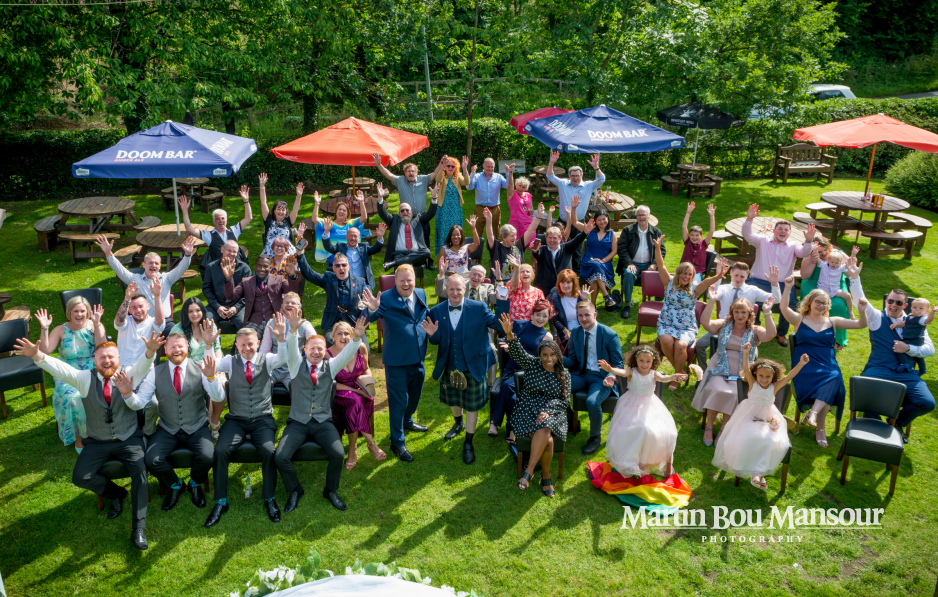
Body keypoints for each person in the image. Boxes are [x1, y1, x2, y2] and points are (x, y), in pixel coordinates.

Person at [15, 332, 164, 549]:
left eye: (111, 357)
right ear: (94, 360)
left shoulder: (128, 374)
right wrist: (37, 354)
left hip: (128, 438)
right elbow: (60, 369)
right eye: (102, 357)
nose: (107, 361)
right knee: (80, 476)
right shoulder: (85, 378)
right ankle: (117, 494)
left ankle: (138, 529)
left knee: (140, 476)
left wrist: (150, 351)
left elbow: (143, 366)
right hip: (98, 441)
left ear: (119, 358)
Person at [274, 312, 368, 513]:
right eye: (312, 349)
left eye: (320, 349)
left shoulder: (332, 366)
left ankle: (331, 490)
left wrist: (357, 338)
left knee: (337, 453)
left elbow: (346, 354)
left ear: (325, 351)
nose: (316, 352)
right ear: (305, 350)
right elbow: (291, 348)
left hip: (323, 423)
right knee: (280, 456)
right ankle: (295, 490)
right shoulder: (295, 365)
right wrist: (292, 330)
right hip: (297, 423)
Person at [205, 325, 288, 528]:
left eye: (250, 344)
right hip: (237, 419)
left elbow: (285, 358)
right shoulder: (230, 362)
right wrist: (208, 344)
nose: (247, 348)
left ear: (258, 344)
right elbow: (210, 365)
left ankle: (269, 498)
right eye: (242, 345)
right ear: (236, 345)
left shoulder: (266, 360)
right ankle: (220, 501)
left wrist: (281, 338)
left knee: (269, 451)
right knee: (221, 450)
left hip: (262, 418)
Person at [423, 275, 502, 463]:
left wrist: (503, 303)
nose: (455, 293)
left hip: (473, 364)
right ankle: (458, 423)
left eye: (459, 289)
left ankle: (468, 441)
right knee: (455, 400)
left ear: (464, 289)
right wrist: (433, 336)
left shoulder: (479, 308)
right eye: (451, 289)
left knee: (471, 405)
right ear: (446, 289)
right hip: (450, 365)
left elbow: (499, 324)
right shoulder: (436, 311)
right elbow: (435, 340)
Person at [848, 270, 935, 441]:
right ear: (886, 302)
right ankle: (876, 427)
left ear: (905, 305)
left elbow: (930, 349)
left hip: (905, 373)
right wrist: (854, 278)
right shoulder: (877, 318)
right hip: (879, 368)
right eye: (890, 301)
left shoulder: (915, 322)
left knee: (927, 403)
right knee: (862, 390)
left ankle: (896, 423)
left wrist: (908, 348)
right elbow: (860, 298)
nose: (893, 305)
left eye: (898, 302)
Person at [781, 279, 868, 448]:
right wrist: (788, 288)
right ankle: (819, 426)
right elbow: (784, 308)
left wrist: (862, 312)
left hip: (827, 363)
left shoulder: (833, 321)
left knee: (833, 377)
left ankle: (813, 415)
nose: (821, 305)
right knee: (831, 383)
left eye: (825, 303)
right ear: (810, 302)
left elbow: (861, 324)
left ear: (828, 306)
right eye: (818, 302)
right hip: (804, 364)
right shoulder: (799, 320)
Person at [140, 334, 222, 511]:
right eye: (172, 347)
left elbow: (218, 397)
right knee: (151, 459)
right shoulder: (156, 372)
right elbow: (140, 400)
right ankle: (176, 485)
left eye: (180, 347)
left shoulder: (200, 368)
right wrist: (126, 394)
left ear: (187, 349)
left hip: (197, 425)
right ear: (165, 350)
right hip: (167, 427)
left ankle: (194, 483)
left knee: (208, 455)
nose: (177, 350)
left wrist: (212, 378)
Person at [712, 344, 808, 490]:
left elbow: (789, 376)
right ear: (756, 375)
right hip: (749, 417)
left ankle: (759, 474)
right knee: (754, 438)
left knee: (770, 440)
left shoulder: (774, 387)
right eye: (761, 375)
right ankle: (757, 474)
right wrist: (745, 353)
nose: (764, 379)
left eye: (768, 376)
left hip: (767, 419)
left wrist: (801, 364)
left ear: (773, 377)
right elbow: (746, 366)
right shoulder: (752, 383)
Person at [362, 265, 431, 462]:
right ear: (395, 281)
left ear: (415, 280)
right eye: (402, 280)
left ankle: (408, 420)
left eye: (409, 280)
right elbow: (367, 319)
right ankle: (397, 442)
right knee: (398, 401)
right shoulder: (384, 297)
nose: (406, 284)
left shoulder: (421, 294)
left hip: (418, 357)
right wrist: (372, 309)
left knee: (415, 394)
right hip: (397, 360)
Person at [692, 292, 777, 447]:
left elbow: (771, 335)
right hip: (719, 368)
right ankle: (709, 426)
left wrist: (767, 312)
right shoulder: (724, 324)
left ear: (749, 314)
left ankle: (724, 428)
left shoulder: (754, 330)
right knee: (718, 390)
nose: (739, 315)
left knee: (734, 394)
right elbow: (706, 323)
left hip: (742, 371)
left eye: (743, 312)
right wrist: (711, 300)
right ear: (732, 312)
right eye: (736, 311)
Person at [499, 314, 570, 498]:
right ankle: (545, 476)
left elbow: (564, 401)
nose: (548, 359)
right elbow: (518, 353)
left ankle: (529, 471)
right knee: (549, 440)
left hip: (553, 412)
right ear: (539, 355)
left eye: (552, 355)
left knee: (546, 425)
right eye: (545, 355)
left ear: (558, 355)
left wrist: (547, 411)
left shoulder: (564, 374)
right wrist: (510, 335)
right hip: (527, 409)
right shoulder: (532, 364)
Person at [599, 346, 686, 477]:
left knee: (662, 432)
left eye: (648, 361)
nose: (644, 364)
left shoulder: (654, 374)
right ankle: (630, 462)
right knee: (639, 429)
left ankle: (644, 460)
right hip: (631, 406)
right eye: (641, 360)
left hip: (650, 407)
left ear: (653, 362)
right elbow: (621, 372)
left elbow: (665, 378)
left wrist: (674, 377)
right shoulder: (632, 372)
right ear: (636, 360)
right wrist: (610, 369)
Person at [35, 298, 107, 451]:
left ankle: (100, 431)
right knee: (74, 398)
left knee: (99, 392)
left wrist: (97, 324)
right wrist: (44, 328)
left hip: (92, 369)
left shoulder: (93, 326)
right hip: (67, 372)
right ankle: (80, 438)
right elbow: (46, 350)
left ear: (87, 312)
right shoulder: (61, 330)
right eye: (76, 311)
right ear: (69, 313)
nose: (79, 314)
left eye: (82, 311)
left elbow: (103, 346)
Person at [742, 203, 817, 346]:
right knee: (750, 299)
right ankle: (753, 328)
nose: (783, 231)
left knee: (791, 304)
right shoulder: (763, 240)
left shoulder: (794, 245)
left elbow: (804, 253)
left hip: (783, 284)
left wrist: (808, 241)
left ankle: (781, 333)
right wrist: (749, 220)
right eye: (780, 229)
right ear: (774, 231)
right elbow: (748, 235)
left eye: (786, 230)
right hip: (759, 280)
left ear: (789, 233)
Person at [653, 235, 720, 389]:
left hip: (686, 326)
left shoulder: (694, 290)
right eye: (684, 273)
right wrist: (658, 248)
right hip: (666, 322)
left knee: (681, 345)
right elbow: (661, 265)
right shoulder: (668, 283)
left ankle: (676, 377)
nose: (687, 277)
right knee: (666, 341)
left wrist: (718, 276)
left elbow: (706, 282)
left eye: (690, 274)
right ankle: (680, 371)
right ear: (678, 273)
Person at [694, 261, 781, 368]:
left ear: (747, 276)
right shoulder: (723, 288)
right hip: (721, 328)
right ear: (730, 273)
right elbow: (713, 295)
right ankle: (705, 371)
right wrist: (718, 277)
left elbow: (775, 299)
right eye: (736, 275)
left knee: (754, 355)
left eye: (742, 276)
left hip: (745, 331)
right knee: (700, 345)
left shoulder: (752, 290)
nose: (738, 279)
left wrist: (774, 284)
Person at [563, 300, 624, 455]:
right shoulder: (576, 332)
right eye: (580, 315)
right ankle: (570, 420)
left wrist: (611, 375)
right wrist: (557, 357)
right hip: (581, 374)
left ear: (595, 314)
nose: (583, 319)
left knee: (592, 402)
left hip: (600, 378)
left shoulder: (609, 335)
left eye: (587, 315)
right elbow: (573, 362)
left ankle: (595, 437)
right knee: (556, 384)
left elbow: (618, 363)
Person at [489, 300, 553, 442]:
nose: (541, 319)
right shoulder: (519, 325)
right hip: (512, 368)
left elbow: (542, 361)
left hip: (530, 372)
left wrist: (517, 350)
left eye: (544, 316)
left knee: (514, 398)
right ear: (532, 314)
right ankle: (501, 425)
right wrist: (508, 347)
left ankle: (505, 427)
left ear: (548, 317)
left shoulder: (547, 337)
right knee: (507, 386)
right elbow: (507, 337)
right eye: (538, 315)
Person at [97, 234, 195, 326]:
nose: (153, 265)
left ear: (160, 266)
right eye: (150, 263)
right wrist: (108, 253)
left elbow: (181, 268)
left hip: (165, 322)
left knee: (176, 338)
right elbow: (119, 270)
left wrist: (187, 254)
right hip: (141, 322)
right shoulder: (134, 279)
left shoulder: (167, 278)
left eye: (156, 263)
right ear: (143, 265)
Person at [328, 321, 384, 470]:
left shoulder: (361, 348)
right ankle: (367, 445)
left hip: (359, 387)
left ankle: (355, 448)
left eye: (347, 333)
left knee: (359, 400)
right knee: (354, 401)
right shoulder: (327, 354)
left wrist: (368, 384)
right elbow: (330, 383)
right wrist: (354, 391)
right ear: (333, 336)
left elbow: (366, 369)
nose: (343, 336)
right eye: (339, 333)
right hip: (340, 390)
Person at [373, 152, 444, 262]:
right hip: (406, 215)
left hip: (422, 216)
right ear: (405, 173)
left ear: (416, 173)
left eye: (413, 171)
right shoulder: (400, 181)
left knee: (425, 239)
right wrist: (379, 165)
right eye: (408, 171)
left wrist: (441, 163)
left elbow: (435, 173)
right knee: (407, 237)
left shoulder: (423, 179)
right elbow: (388, 175)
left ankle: (428, 261)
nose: (411, 173)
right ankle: (407, 256)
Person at [170, 297, 225, 436]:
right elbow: (177, 355)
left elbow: (217, 348)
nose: (195, 314)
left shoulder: (210, 326)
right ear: (185, 313)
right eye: (190, 311)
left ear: (203, 311)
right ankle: (204, 425)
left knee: (222, 384)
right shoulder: (178, 329)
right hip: (190, 368)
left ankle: (214, 421)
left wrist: (218, 367)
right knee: (207, 387)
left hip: (211, 364)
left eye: (198, 310)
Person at [222, 254, 300, 340]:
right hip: (254, 322)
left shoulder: (279, 279)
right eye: (259, 266)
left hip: (275, 321)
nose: (262, 269)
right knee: (245, 339)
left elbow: (292, 293)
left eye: (265, 266)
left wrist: (292, 276)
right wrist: (229, 278)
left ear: (270, 268)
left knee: (281, 341)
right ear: (255, 267)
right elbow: (231, 296)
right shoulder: (246, 281)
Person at [295, 250, 367, 345]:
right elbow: (309, 274)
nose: (341, 268)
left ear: (348, 266)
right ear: (333, 268)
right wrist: (300, 254)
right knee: (329, 341)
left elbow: (368, 302)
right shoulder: (328, 278)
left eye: (344, 265)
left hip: (353, 324)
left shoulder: (360, 282)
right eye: (337, 265)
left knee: (363, 346)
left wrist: (369, 306)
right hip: (333, 324)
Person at [800, 236, 853, 349]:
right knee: (816, 303)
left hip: (835, 285)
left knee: (838, 304)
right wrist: (813, 262)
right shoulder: (810, 257)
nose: (824, 253)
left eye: (826, 250)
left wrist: (852, 262)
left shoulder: (838, 255)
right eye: (820, 251)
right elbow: (804, 276)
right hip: (814, 283)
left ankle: (838, 338)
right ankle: (814, 335)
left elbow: (851, 271)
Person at [377, 183, 441, 271]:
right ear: (399, 213)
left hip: (416, 253)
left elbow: (431, 213)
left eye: (407, 210)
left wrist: (434, 198)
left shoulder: (418, 220)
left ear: (411, 212)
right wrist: (380, 198)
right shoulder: (394, 221)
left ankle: (395, 263)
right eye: (402, 210)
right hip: (399, 254)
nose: (405, 212)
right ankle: (401, 261)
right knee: (402, 257)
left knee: (426, 252)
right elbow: (382, 213)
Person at [616, 205, 665, 319]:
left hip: (649, 264)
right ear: (636, 217)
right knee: (628, 273)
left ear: (649, 216)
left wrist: (654, 263)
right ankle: (627, 305)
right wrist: (629, 263)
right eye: (639, 215)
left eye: (644, 215)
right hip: (632, 263)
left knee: (663, 274)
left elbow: (662, 250)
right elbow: (621, 249)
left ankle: (657, 305)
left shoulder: (656, 232)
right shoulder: (628, 230)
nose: (641, 217)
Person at [258, 291, 316, 389]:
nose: (289, 305)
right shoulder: (272, 323)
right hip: (274, 367)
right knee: (259, 388)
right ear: (282, 305)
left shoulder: (305, 325)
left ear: (299, 307)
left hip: (293, 369)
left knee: (298, 391)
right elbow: (264, 350)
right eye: (286, 302)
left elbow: (315, 346)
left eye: (293, 303)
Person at [178, 191, 251, 267]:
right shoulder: (209, 235)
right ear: (213, 222)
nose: (221, 221)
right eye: (218, 219)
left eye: (223, 218)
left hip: (236, 268)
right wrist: (185, 211)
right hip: (219, 270)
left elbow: (248, 218)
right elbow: (189, 229)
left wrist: (246, 201)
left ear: (226, 220)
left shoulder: (234, 230)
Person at [530, 199, 587, 295]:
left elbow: (578, 240)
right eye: (549, 238)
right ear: (546, 238)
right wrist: (535, 251)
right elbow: (537, 254)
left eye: (554, 238)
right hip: (544, 289)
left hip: (564, 289)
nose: (552, 240)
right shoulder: (543, 249)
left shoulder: (567, 248)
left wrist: (585, 232)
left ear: (560, 238)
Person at [112, 279, 165, 385]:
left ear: (148, 307)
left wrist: (157, 296)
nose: (138, 310)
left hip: (144, 372)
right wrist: (127, 298)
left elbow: (160, 323)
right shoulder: (126, 321)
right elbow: (118, 322)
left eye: (141, 306)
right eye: (134, 308)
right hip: (122, 371)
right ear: (129, 310)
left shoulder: (152, 322)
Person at [545, 150, 605, 227]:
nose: (575, 178)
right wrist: (551, 163)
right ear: (569, 176)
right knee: (560, 239)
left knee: (579, 239)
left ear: (582, 176)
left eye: (577, 175)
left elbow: (601, 179)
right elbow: (550, 176)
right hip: (563, 223)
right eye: (573, 176)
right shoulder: (563, 183)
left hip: (578, 223)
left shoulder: (588, 186)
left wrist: (596, 167)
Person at [323, 219, 387, 289]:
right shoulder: (340, 247)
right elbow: (328, 247)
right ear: (346, 237)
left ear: (359, 238)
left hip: (362, 282)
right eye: (351, 236)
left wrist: (380, 237)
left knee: (365, 299)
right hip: (345, 281)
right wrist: (327, 231)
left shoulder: (364, 247)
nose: (353, 238)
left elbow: (376, 248)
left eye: (355, 236)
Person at [202, 240, 251, 331]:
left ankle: (237, 345)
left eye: (234, 251)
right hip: (216, 306)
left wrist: (237, 307)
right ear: (222, 249)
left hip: (237, 306)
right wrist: (217, 306)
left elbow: (248, 292)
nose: (231, 253)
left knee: (245, 325)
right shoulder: (211, 267)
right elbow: (207, 289)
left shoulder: (244, 269)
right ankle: (212, 344)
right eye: (229, 250)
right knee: (206, 323)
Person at [574, 210, 618, 309]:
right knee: (594, 264)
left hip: (604, 263)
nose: (602, 221)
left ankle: (592, 306)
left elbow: (614, 251)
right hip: (588, 261)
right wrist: (574, 209)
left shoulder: (612, 234)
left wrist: (603, 260)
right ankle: (606, 295)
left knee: (595, 270)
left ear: (608, 219)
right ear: (595, 221)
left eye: (604, 219)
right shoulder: (590, 230)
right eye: (599, 220)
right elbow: (575, 222)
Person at [310, 190, 368, 265]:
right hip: (332, 254)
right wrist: (317, 203)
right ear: (336, 212)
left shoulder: (350, 224)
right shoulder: (329, 223)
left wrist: (361, 202)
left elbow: (364, 218)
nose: (341, 211)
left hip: (348, 253)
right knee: (342, 263)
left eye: (344, 210)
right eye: (339, 209)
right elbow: (314, 219)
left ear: (347, 214)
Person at [486, 203, 540, 282]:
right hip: (500, 283)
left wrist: (539, 216)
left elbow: (530, 230)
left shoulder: (518, 245)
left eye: (515, 235)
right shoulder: (496, 247)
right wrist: (489, 221)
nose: (514, 238)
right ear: (504, 237)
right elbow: (490, 236)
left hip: (517, 282)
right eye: (511, 236)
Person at [547, 269, 590, 355]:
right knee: (572, 344)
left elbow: (593, 315)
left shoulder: (581, 295)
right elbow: (555, 319)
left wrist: (586, 300)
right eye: (562, 282)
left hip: (584, 328)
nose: (565, 285)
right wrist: (565, 331)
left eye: (568, 282)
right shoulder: (556, 297)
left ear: (574, 283)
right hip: (566, 331)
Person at [433, 155, 470, 254]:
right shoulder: (443, 176)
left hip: (455, 209)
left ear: (456, 168)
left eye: (452, 166)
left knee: (455, 231)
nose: (450, 168)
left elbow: (466, 182)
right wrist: (442, 167)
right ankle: (443, 254)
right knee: (443, 231)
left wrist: (465, 168)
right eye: (448, 166)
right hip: (444, 209)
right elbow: (438, 180)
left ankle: (455, 253)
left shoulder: (458, 177)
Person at [258, 173, 302, 257]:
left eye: (283, 210)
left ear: (286, 212)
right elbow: (263, 203)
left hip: (287, 252)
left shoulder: (289, 221)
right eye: (278, 209)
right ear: (274, 211)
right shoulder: (269, 220)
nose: (281, 212)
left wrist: (299, 196)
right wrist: (262, 186)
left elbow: (295, 210)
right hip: (270, 253)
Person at [890, 298, 937, 373]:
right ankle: (923, 369)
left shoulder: (922, 319)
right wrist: (896, 325)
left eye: (921, 308)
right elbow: (905, 323)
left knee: (899, 348)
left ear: (927, 311)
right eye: (915, 307)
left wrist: (933, 312)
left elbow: (929, 320)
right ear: (911, 308)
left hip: (915, 339)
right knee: (916, 356)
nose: (917, 309)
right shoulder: (910, 316)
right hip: (909, 338)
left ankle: (904, 364)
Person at [468, 158, 511, 237]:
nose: (490, 169)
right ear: (483, 166)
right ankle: (477, 249)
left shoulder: (498, 177)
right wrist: (472, 173)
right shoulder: (477, 177)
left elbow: (508, 185)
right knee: (477, 234)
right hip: (480, 209)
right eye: (488, 166)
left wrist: (508, 172)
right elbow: (469, 187)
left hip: (494, 210)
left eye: (492, 167)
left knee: (495, 234)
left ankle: (494, 249)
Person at [680, 202, 715, 284]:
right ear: (689, 235)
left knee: (693, 286)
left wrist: (712, 215)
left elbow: (711, 230)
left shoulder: (704, 243)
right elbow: (684, 227)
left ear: (701, 236)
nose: (694, 237)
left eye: (697, 235)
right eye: (692, 235)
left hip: (697, 273)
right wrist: (688, 212)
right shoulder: (687, 241)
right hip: (683, 271)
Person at [815, 248, 855, 316]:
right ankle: (818, 314)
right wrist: (815, 249)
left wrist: (853, 254)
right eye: (832, 262)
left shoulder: (841, 268)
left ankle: (850, 311)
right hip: (823, 289)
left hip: (835, 290)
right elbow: (817, 258)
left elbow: (850, 262)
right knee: (818, 300)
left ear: (840, 263)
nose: (834, 264)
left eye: (836, 263)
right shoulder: (824, 265)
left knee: (848, 296)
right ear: (828, 261)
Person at [506, 257, 546, 322]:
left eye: (527, 271)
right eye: (522, 272)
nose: (525, 273)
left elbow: (542, 311)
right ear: (518, 276)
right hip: (515, 326)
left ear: (532, 276)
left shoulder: (538, 292)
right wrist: (517, 268)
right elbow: (514, 284)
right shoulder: (515, 288)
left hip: (531, 326)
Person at [506, 170, 535, 247]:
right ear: (516, 185)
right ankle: (516, 259)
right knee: (515, 245)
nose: (521, 188)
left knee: (532, 245)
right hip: (516, 224)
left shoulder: (528, 195)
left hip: (528, 223)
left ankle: (534, 259)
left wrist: (532, 211)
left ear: (526, 188)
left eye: (523, 187)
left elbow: (531, 207)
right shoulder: (512, 194)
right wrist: (510, 172)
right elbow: (510, 183)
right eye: (519, 185)